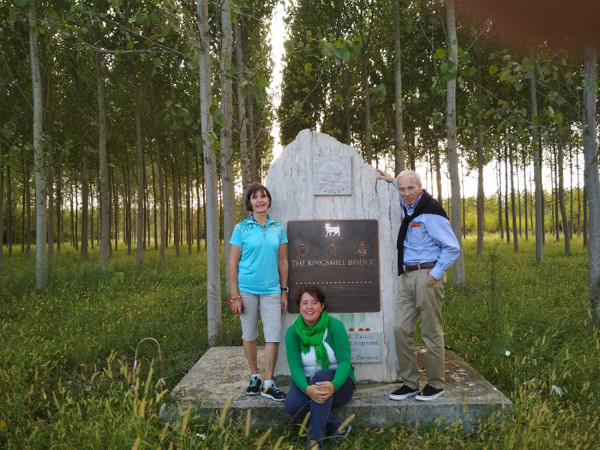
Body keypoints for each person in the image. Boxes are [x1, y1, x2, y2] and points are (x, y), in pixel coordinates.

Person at [376, 168, 460, 401]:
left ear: (420, 187)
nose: (406, 193)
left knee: (431, 332)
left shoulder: (431, 212)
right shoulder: (411, 207)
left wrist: (435, 274)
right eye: (402, 189)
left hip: (427, 275)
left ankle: (435, 384)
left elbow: (452, 247)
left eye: (410, 188)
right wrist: (393, 181)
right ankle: (410, 382)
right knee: (401, 329)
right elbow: (402, 190)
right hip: (407, 276)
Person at [228, 183, 289, 402]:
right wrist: (235, 295)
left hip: (272, 290)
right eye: (255, 197)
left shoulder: (278, 229)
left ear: (269, 201)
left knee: (272, 335)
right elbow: (233, 263)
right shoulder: (241, 228)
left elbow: (283, 261)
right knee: (249, 334)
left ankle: (269, 382)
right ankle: (255, 376)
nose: (260, 200)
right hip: (247, 290)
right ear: (250, 203)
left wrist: (284, 291)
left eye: (264, 196)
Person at [285, 285, 355, 448]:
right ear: (299, 307)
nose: (309, 307)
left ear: (322, 306)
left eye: (314, 302)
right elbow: (295, 368)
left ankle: (315, 441)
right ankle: (338, 424)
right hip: (309, 382)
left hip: (340, 385)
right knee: (292, 405)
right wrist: (307, 389)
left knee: (320, 378)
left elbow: (345, 362)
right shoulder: (292, 333)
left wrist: (333, 385)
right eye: (305, 303)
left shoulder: (335, 326)